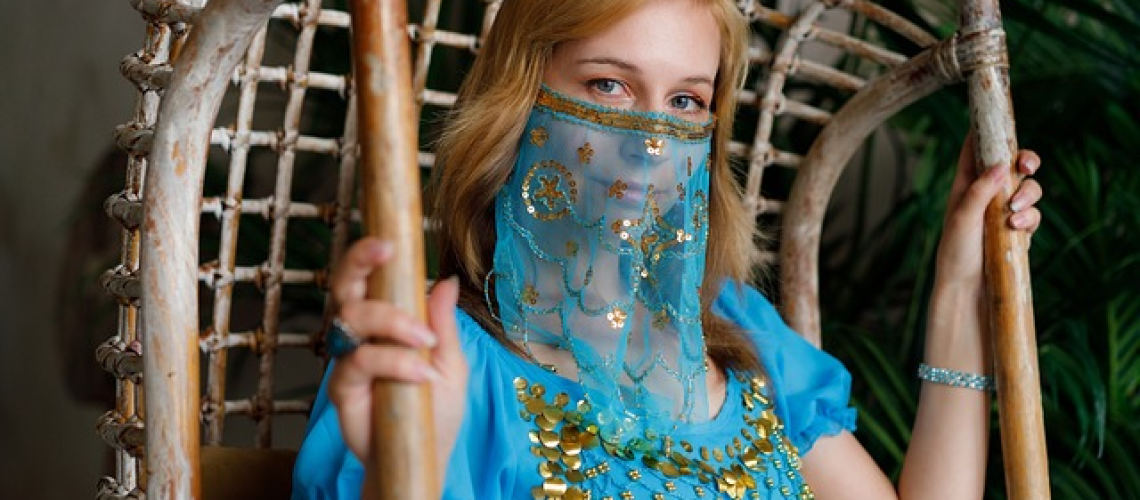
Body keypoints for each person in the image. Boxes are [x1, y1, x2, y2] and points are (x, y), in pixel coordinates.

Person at [292, 0, 1043, 498]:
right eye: (610, 86)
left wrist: (958, 281)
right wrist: (404, 476)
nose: (653, 143)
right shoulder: (432, 360)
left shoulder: (737, 328)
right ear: (519, 100)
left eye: (685, 101)